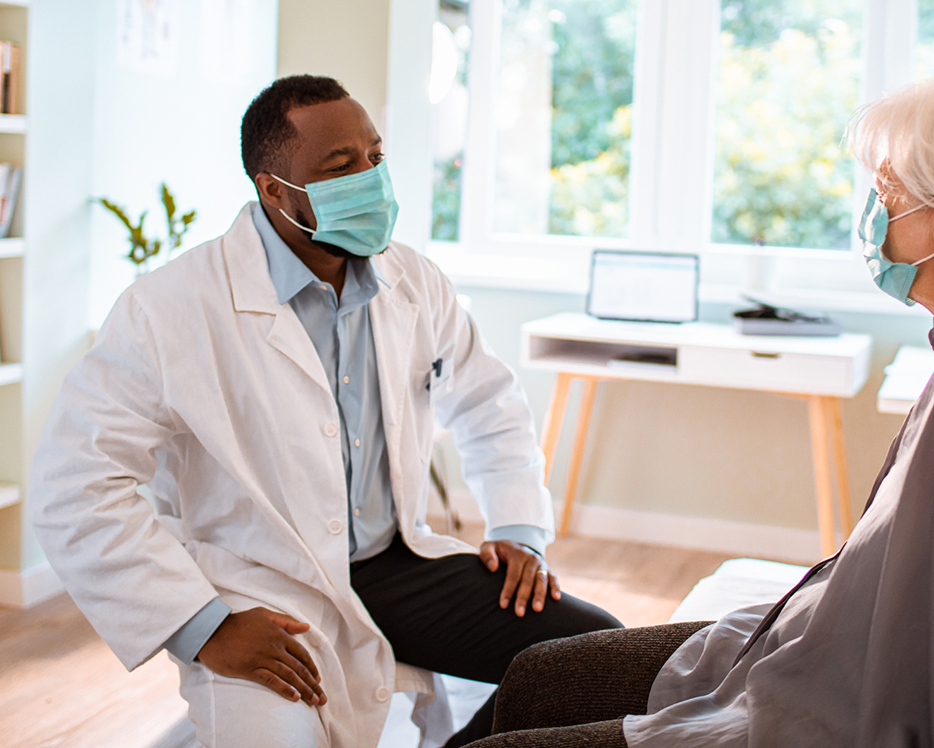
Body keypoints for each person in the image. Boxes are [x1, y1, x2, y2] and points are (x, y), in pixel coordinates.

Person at [462, 72, 934, 748]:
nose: (873, 215)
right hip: (820, 648)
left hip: (838, 705)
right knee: (539, 672)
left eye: (886, 192)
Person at [30, 75, 621, 748]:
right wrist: (205, 625)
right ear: (274, 190)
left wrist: (518, 526)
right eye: (341, 168)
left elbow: (488, 399)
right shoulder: (168, 307)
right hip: (264, 583)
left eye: (375, 157)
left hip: (399, 565)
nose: (371, 179)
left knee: (598, 660)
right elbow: (72, 484)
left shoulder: (413, 281)